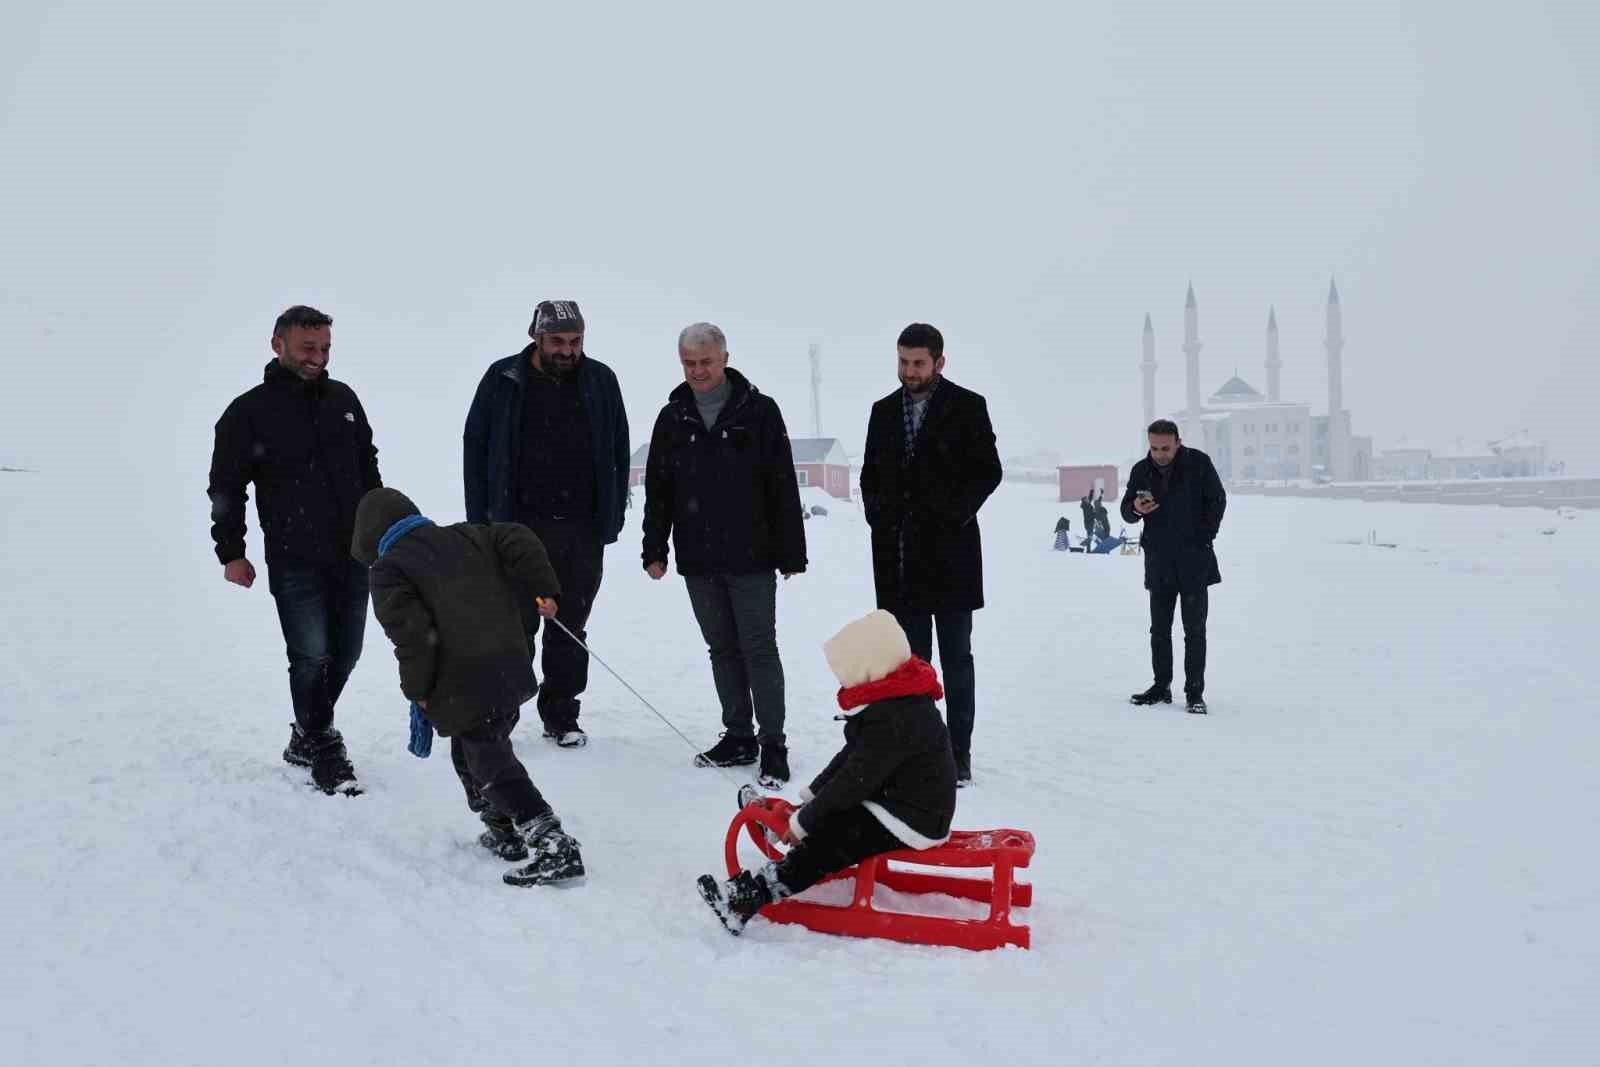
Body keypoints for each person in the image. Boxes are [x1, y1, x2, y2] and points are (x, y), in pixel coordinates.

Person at [354, 487, 585, 887]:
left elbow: (412, 637)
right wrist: (542, 585)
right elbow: (518, 535)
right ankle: (503, 831)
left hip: (464, 680)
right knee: (471, 753)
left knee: (490, 763)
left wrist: (418, 690)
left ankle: (552, 842)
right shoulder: (466, 534)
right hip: (509, 665)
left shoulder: (389, 569)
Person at [696, 610, 958, 935]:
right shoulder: (892, 703)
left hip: (915, 818)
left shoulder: (897, 719)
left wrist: (805, 821)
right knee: (833, 813)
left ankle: (750, 898)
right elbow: (851, 759)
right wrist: (811, 798)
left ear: (869, 669)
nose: (841, 681)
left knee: (836, 837)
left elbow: (854, 781)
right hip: (895, 800)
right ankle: (782, 829)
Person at [207, 305, 381, 795]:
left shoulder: (344, 399)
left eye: (325, 348)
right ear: (277, 344)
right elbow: (226, 487)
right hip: (294, 555)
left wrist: (382, 528)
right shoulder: (248, 412)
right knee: (310, 654)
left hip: (354, 552)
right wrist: (231, 552)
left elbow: (368, 467)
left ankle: (306, 733)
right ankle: (323, 745)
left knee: (345, 654)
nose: (318, 357)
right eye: (308, 348)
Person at [642, 322, 807, 787]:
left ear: (725, 358)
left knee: (758, 648)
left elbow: (781, 484)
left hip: (752, 555)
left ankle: (773, 744)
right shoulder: (672, 417)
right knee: (721, 650)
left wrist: (792, 551)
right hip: (698, 556)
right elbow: (659, 489)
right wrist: (654, 547)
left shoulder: (759, 411)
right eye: (689, 364)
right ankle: (738, 735)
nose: (698, 371)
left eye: (706, 362)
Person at [463, 300, 630, 749]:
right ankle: (505, 714)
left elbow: (618, 449)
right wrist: (482, 525)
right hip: (518, 529)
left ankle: (562, 715)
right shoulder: (502, 379)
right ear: (536, 337)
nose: (567, 350)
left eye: (575, 342)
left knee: (571, 625)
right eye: (557, 341)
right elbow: (476, 451)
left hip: (581, 529)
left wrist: (611, 516)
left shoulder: (601, 380)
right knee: (516, 626)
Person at [859, 322, 1001, 786]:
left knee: (957, 660)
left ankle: (958, 754)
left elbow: (988, 472)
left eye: (918, 363)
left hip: (952, 558)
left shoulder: (967, 407)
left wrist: (947, 515)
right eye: (903, 361)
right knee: (910, 666)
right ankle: (921, 752)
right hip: (899, 560)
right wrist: (882, 519)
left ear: (940, 362)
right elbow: (869, 478)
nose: (909, 371)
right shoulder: (883, 412)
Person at [1120, 419, 1227, 714]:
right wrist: (1134, 509)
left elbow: (1217, 501)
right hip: (1159, 561)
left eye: (1165, 447)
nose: (1159, 453)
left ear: (1178, 442)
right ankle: (1161, 685)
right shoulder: (1140, 470)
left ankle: (1194, 693)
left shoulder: (1199, 463)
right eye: (1154, 448)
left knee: (1195, 631)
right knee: (1159, 629)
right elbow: (1126, 511)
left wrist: (1203, 537)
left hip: (1194, 560)